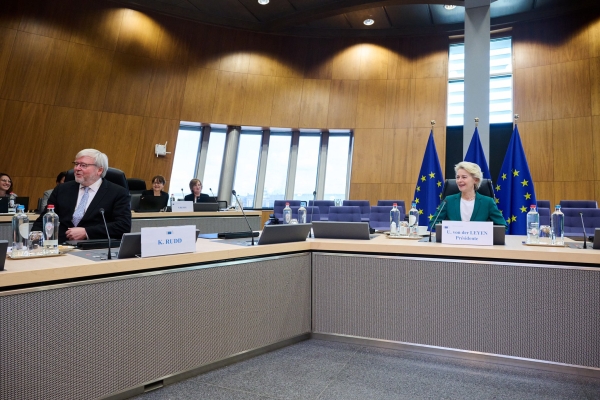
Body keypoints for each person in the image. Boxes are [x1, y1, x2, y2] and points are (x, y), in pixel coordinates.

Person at [32, 149, 131, 243]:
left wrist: (87, 232)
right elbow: (44, 220)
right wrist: (34, 240)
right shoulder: (62, 189)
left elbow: (123, 226)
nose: (77, 168)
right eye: (76, 164)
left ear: (99, 170)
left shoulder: (117, 192)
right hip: (60, 246)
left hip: (94, 248)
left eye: (83, 165)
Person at [429, 161, 506, 228]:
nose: (459, 180)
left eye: (464, 177)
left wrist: (484, 232)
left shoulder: (488, 202)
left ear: (475, 180)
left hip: (478, 243)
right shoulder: (448, 201)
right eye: (458, 177)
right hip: (454, 244)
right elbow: (433, 223)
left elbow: (502, 226)